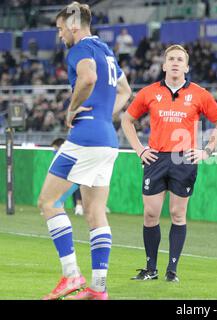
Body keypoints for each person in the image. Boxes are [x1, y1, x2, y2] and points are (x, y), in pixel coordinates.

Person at [37, 2, 131, 300]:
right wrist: (106, 116)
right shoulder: (106, 51)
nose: (60, 33)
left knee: (48, 202)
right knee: (94, 212)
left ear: (74, 25)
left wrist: (72, 108)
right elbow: (126, 91)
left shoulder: (79, 50)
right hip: (107, 139)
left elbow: (88, 78)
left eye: (61, 27)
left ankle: (71, 275)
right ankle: (98, 289)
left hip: (86, 137)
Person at [121, 44, 217, 283]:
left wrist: (207, 151)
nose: (176, 62)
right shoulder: (149, 92)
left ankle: (172, 270)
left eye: (180, 59)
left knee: (178, 215)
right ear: (164, 65)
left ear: (187, 66)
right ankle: (151, 269)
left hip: (184, 159)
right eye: (171, 59)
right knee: (150, 215)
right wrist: (139, 150)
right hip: (156, 158)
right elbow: (127, 121)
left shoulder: (199, 93)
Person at [50, 138, 83, 215]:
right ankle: (75, 206)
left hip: (75, 174)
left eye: (55, 148)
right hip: (69, 175)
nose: (54, 150)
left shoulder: (68, 153)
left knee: (75, 187)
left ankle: (78, 206)